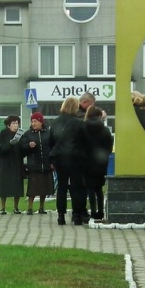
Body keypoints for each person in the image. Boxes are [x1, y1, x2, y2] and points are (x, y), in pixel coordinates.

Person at [49, 96, 89, 226]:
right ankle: (77, 216)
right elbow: (84, 142)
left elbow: (51, 142)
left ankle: (61, 216)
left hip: (60, 158)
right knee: (76, 186)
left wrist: (52, 159)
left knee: (62, 186)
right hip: (76, 158)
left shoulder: (55, 122)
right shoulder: (78, 123)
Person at [83, 105, 113, 221]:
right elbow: (109, 146)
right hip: (101, 162)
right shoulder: (104, 129)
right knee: (99, 188)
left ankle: (93, 211)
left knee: (90, 188)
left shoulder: (84, 127)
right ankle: (100, 212)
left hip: (87, 161)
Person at [21, 112, 53, 214]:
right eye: (32, 121)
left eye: (35, 121)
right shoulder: (28, 134)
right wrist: (28, 146)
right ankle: (30, 207)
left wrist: (53, 162)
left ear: (41, 122)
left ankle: (41, 207)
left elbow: (53, 147)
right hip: (34, 165)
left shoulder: (48, 133)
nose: (33, 123)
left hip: (46, 165)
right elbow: (22, 148)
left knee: (44, 188)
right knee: (33, 189)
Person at [0, 115, 25, 214]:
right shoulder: (2, 135)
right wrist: (10, 144)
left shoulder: (20, 135)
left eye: (17, 123)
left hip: (17, 163)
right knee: (4, 186)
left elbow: (23, 150)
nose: (15, 125)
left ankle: (16, 207)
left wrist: (28, 146)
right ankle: (3, 207)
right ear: (8, 125)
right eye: (13, 123)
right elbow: (0, 149)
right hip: (5, 164)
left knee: (17, 186)